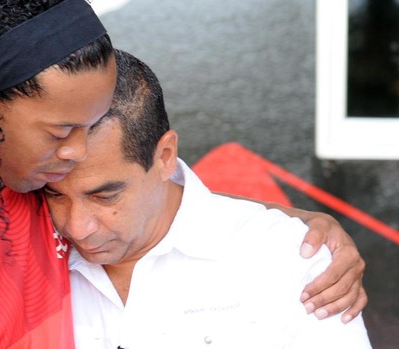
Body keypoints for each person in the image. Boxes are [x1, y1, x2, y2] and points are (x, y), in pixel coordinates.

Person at [0, 1, 363, 348]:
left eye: (89, 127)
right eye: (62, 130)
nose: (76, 152)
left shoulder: (30, 186)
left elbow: (151, 202)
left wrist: (302, 229)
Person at [43, 49, 372, 348]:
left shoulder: (284, 256)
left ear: (165, 156)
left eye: (105, 196)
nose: (76, 226)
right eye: (54, 194)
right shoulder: (21, 241)